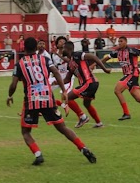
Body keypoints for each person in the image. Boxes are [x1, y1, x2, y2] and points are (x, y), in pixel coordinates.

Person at [6, 37, 97, 165]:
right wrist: (64, 91)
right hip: (48, 98)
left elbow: (14, 84)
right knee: (62, 127)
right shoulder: (45, 59)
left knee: (26, 131)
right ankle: (83, 148)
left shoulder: (20, 64)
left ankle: (38, 155)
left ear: (24, 48)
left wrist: (10, 95)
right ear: (36, 47)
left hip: (31, 100)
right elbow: (56, 72)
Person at [62, 41, 111, 128]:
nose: (62, 50)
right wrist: (55, 82)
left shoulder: (77, 55)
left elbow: (93, 57)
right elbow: (67, 79)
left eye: (63, 48)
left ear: (68, 49)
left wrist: (104, 69)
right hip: (92, 83)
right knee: (87, 104)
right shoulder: (70, 64)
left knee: (68, 98)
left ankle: (82, 117)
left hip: (89, 83)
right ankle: (99, 123)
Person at [49, 36, 86, 122]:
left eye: (63, 41)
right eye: (60, 41)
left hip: (67, 78)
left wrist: (58, 55)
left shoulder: (69, 53)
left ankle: (81, 115)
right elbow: (55, 66)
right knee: (44, 89)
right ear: (57, 44)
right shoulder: (54, 55)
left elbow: (68, 61)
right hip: (58, 77)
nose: (62, 43)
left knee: (65, 96)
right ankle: (58, 107)